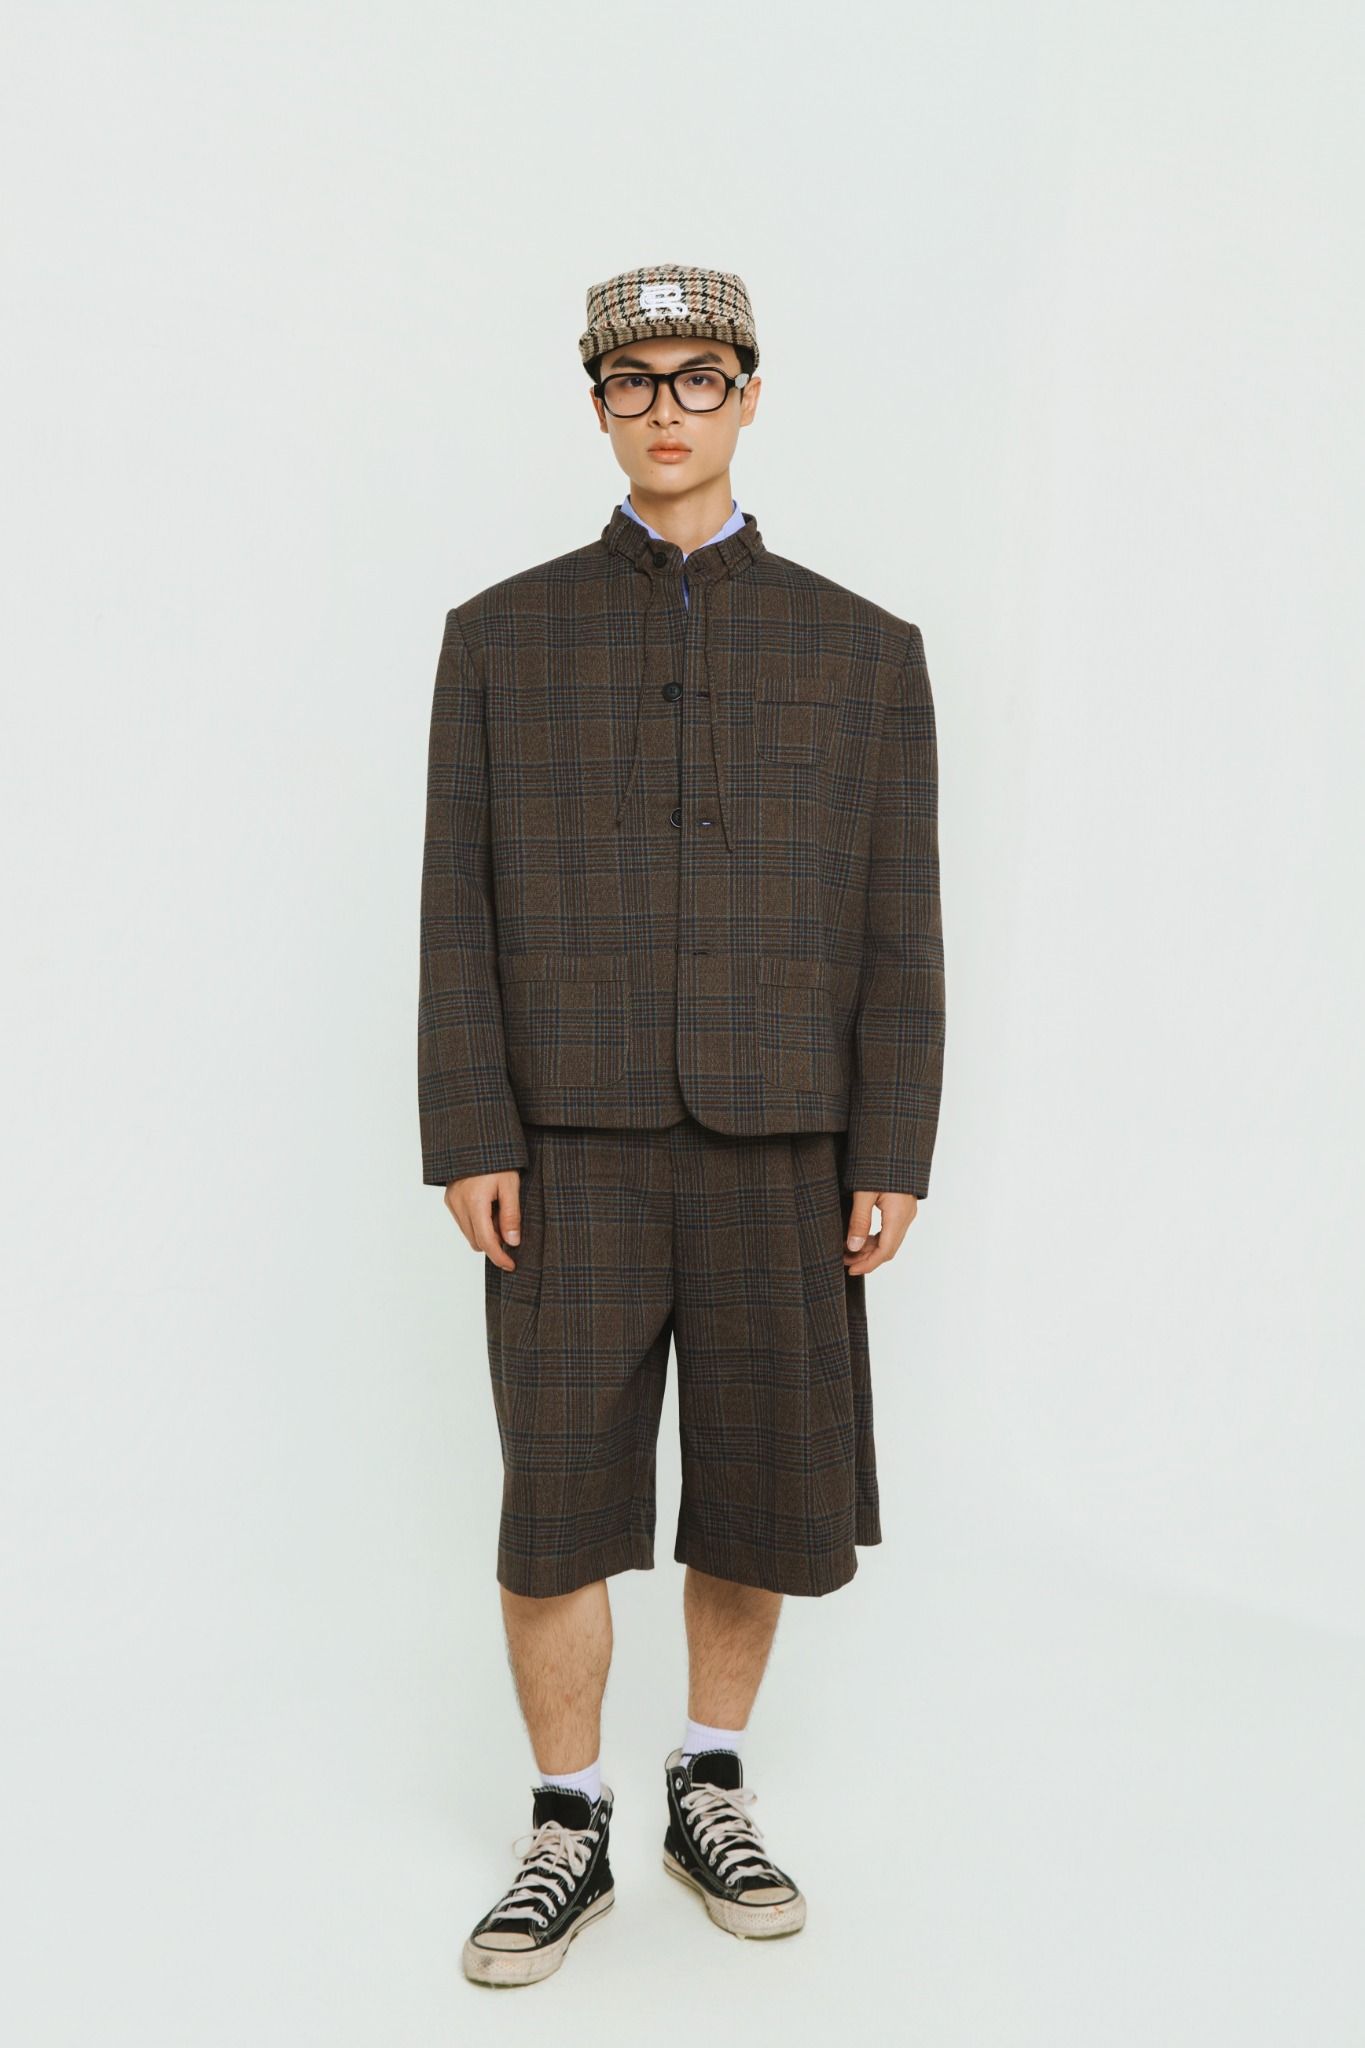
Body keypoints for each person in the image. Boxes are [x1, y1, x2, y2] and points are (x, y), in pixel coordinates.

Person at [417, 261, 946, 1986]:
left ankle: (705, 1784)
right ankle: (563, 1820)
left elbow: (899, 924)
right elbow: (453, 908)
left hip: (784, 1141)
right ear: (596, 406)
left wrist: (890, 1148)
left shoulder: (864, 651)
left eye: (697, 377)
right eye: (632, 381)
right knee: (556, 1495)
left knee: (762, 1487)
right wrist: (468, 1127)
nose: (666, 408)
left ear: (747, 396)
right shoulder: (500, 638)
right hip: (560, 1148)